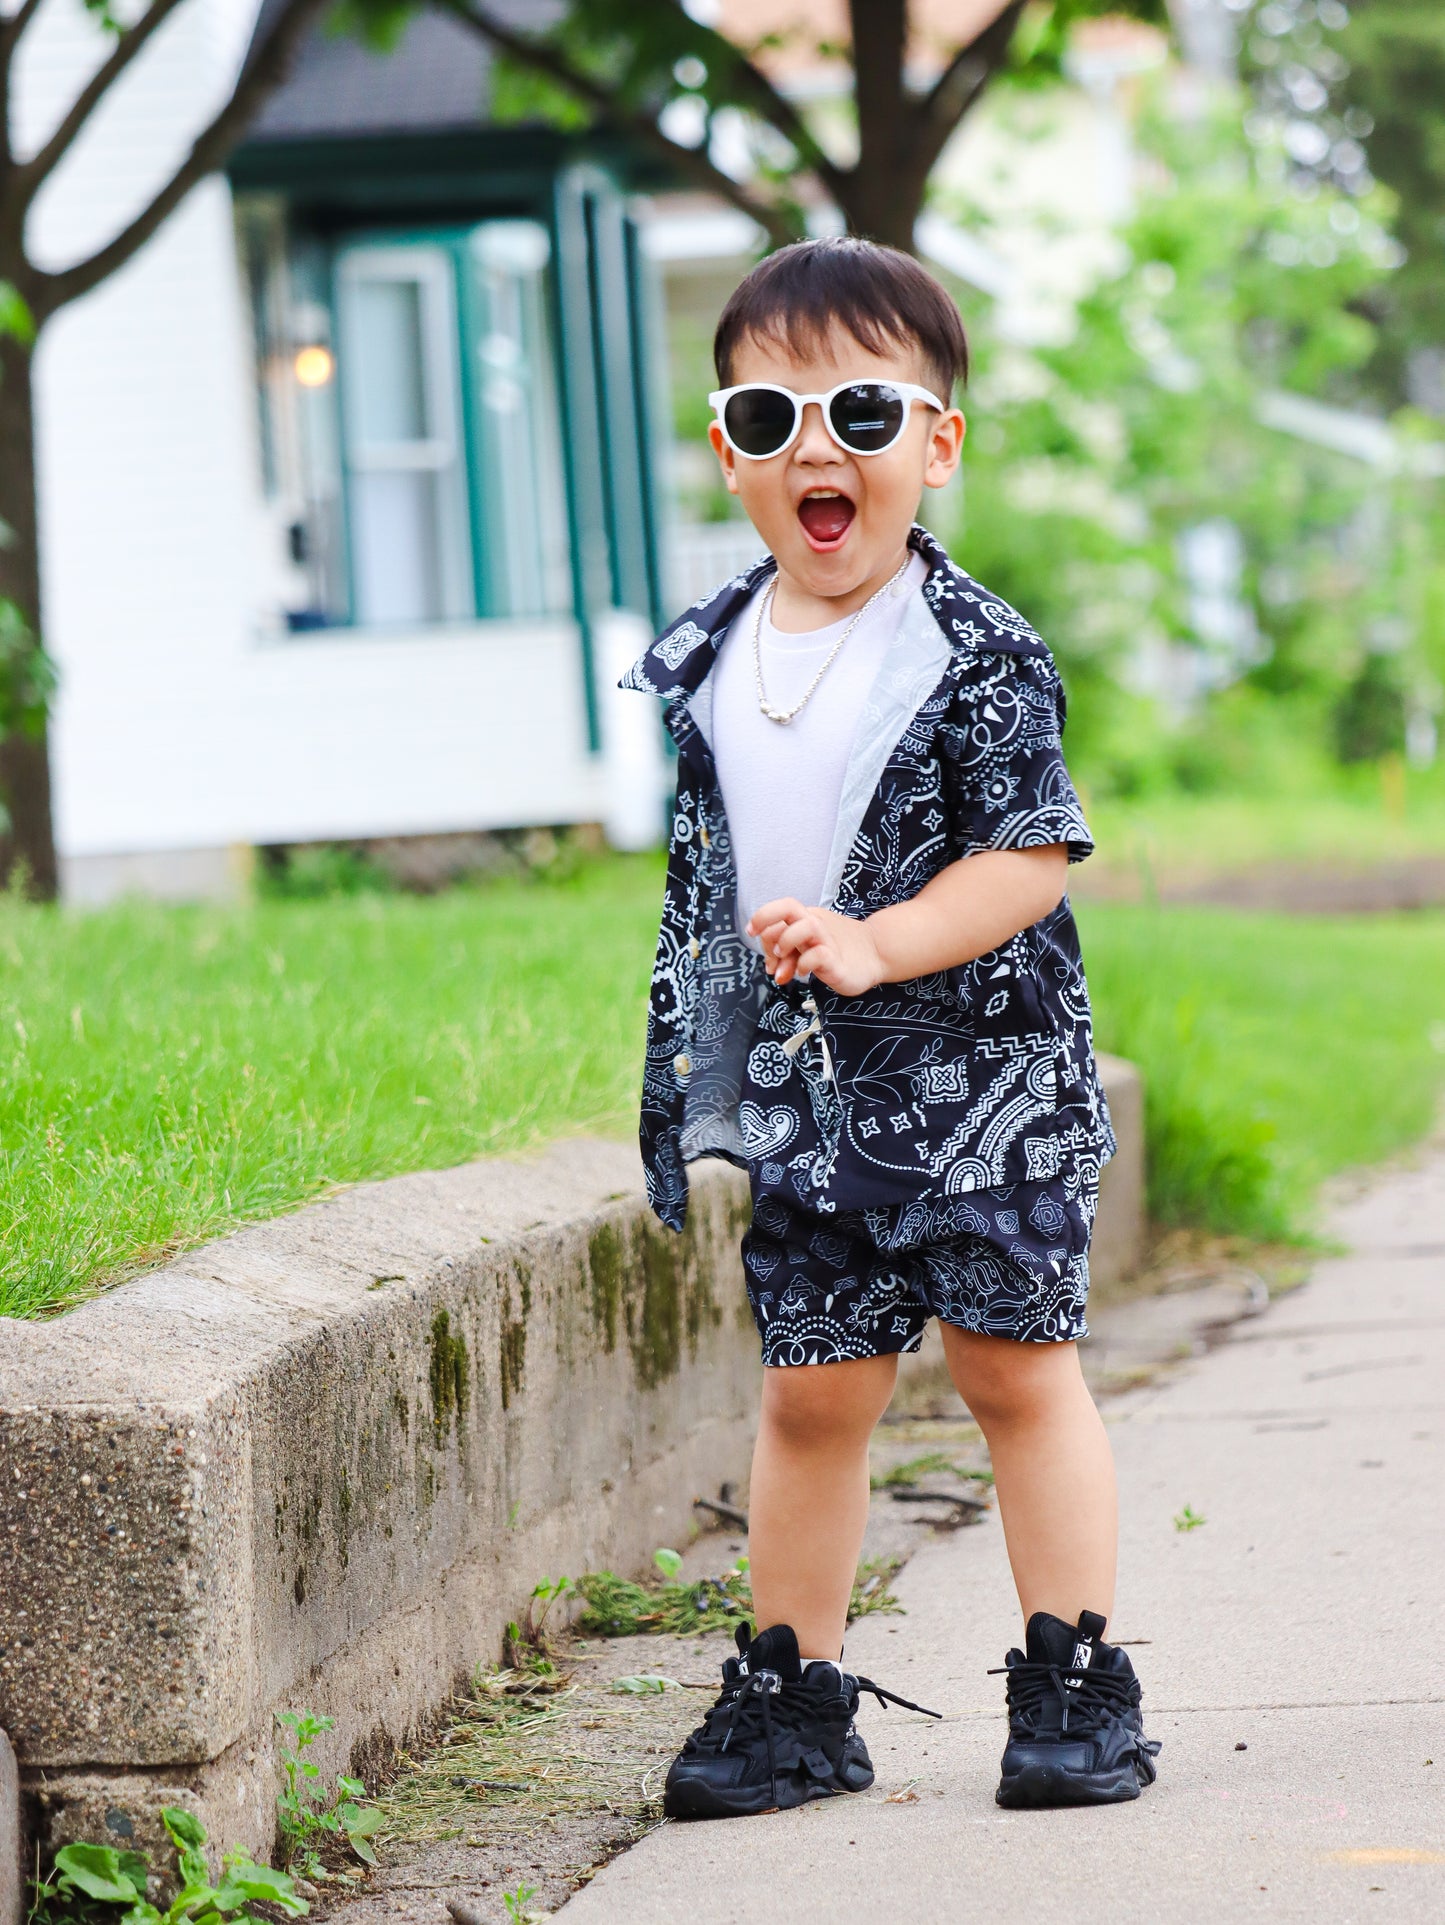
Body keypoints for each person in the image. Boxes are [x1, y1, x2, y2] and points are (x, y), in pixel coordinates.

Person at [620, 236, 1159, 1820]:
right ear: (727, 453)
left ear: (936, 443)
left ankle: (1072, 1673)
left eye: (862, 410)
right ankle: (795, 1690)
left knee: (1011, 1370)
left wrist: (877, 940)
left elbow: (1027, 854)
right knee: (812, 1389)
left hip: (985, 1084)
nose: (818, 448)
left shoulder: (972, 651)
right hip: (810, 1103)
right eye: (771, 415)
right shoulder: (716, 655)